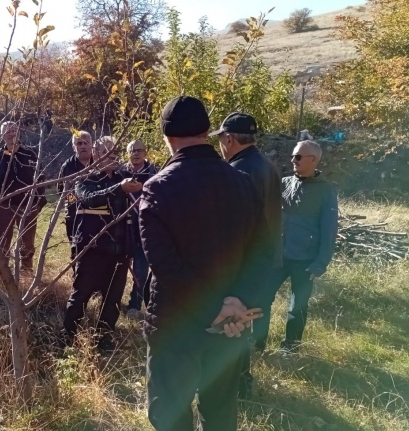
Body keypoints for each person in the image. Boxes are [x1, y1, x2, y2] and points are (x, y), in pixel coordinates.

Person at [139, 96, 267, 431]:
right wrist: (239, 305)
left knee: (169, 412)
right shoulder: (243, 183)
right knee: (221, 413)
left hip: (176, 324)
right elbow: (262, 253)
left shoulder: (157, 189)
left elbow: (165, 266)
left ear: (167, 136)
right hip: (230, 325)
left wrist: (216, 308)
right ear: (208, 131)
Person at [211, 112, 282, 397]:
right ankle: (241, 383)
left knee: (232, 328)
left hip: (244, 264)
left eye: (220, 139)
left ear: (229, 138)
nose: (220, 145)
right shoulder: (267, 165)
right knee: (244, 326)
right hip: (266, 261)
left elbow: (236, 226)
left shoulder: (239, 170)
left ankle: (235, 388)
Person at [62, 136, 141, 352]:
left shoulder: (125, 177)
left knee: (113, 300)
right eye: (109, 153)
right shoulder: (84, 179)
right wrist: (119, 189)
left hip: (120, 252)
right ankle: (67, 340)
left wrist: (130, 250)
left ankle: (104, 340)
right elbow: (89, 198)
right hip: (92, 250)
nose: (114, 157)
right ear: (97, 154)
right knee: (80, 296)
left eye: (116, 153)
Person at [269, 140, 338, 353]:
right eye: (293, 156)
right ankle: (257, 340)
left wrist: (320, 263)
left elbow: (329, 229)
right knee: (261, 296)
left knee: (296, 307)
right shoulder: (285, 182)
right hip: (279, 256)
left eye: (298, 157)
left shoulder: (326, 191)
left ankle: (290, 348)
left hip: (305, 260)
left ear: (313, 160)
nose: (293, 160)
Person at [0, 122, 46, 271]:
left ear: (19, 133)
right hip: (4, 206)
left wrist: (37, 202)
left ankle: (26, 271)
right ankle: (3, 273)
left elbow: (41, 178)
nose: (11, 134)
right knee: (3, 242)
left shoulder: (30, 154)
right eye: (8, 131)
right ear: (2, 136)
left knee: (27, 242)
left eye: (14, 130)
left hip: (28, 206)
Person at [121, 139, 158, 319]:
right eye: (132, 150)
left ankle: (135, 304)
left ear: (145, 152)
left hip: (146, 226)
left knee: (141, 268)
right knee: (119, 266)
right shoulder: (120, 172)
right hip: (123, 227)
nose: (135, 153)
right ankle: (109, 300)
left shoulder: (155, 173)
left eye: (139, 150)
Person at [57, 130, 92, 262]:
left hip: (97, 213)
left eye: (86, 143)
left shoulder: (99, 162)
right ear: (73, 147)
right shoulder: (68, 166)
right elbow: (61, 191)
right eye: (79, 143)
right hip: (74, 215)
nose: (83, 146)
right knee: (76, 249)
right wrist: (77, 201)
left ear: (91, 144)